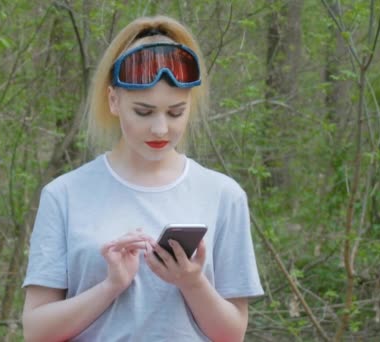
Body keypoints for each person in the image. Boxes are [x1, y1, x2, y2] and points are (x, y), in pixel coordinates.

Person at [21, 15, 264, 342]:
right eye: (144, 112)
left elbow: (232, 334)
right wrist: (111, 286)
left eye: (176, 112)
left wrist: (191, 282)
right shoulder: (64, 194)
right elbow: (36, 331)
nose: (161, 129)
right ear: (113, 101)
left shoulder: (223, 195)